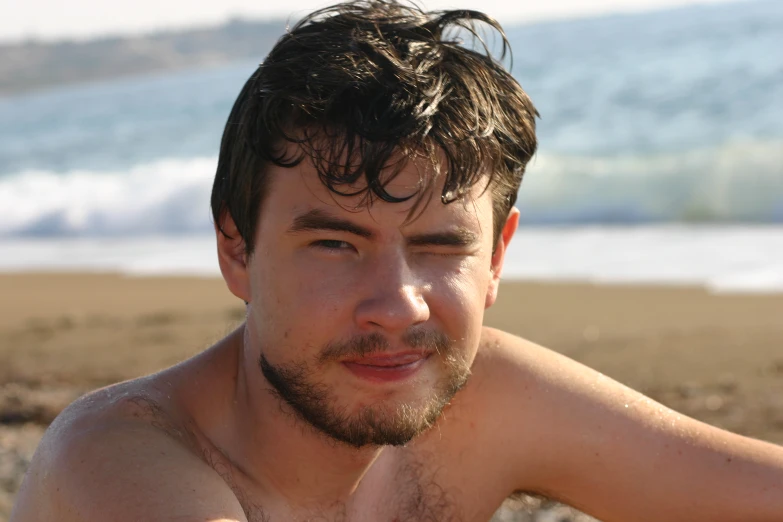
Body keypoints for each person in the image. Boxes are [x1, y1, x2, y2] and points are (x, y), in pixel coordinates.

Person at [11, 1, 783, 521]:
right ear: (236, 249)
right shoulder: (120, 461)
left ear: (496, 258)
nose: (397, 305)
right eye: (335, 244)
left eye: (440, 245)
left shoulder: (485, 404)